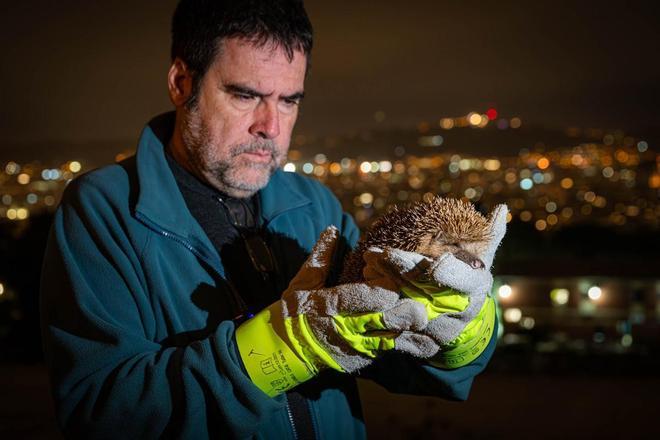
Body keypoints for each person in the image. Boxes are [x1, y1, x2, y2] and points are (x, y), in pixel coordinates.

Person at [40, 1, 504, 438]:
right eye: (245, 95)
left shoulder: (314, 207)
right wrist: (284, 346)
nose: (271, 126)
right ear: (182, 83)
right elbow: (101, 412)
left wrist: (461, 328)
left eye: (289, 100)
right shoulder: (104, 211)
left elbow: (398, 356)